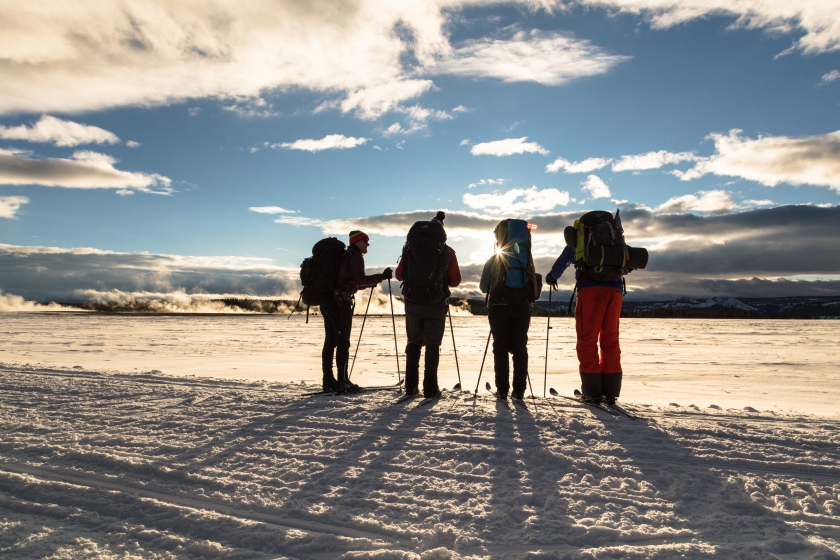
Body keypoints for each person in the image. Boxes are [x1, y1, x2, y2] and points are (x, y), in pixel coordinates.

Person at [545, 214, 624, 405]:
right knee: (610, 340)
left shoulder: (581, 239)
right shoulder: (614, 238)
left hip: (590, 291)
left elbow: (560, 264)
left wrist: (550, 277)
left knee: (587, 339)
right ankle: (610, 392)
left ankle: (592, 391)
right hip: (615, 290)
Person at [395, 211, 461, 398]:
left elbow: (399, 275)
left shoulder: (410, 247)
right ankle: (430, 388)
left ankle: (411, 387)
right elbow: (455, 280)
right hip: (436, 302)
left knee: (413, 342)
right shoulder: (447, 251)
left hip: (412, 302)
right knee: (433, 344)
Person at [321, 230, 392, 392]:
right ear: (357, 242)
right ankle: (342, 381)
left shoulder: (345, 256)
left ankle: (328, 380)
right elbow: (360, 279)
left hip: (328, 302)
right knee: (342, 342)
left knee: (330, 341)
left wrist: (371, 282)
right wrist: (381, 276)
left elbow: (353, 282)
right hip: (340, 304)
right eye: (366, 241)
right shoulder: (355, 256)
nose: (368, 244)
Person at [479, 219, 541, 400]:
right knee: (520, 347)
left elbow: (484, 288)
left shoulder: (494, 259)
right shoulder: (527, 258)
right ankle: (519, 390)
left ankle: (502, 390)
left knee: (501, 347)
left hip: (498, 307)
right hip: (522, 306)